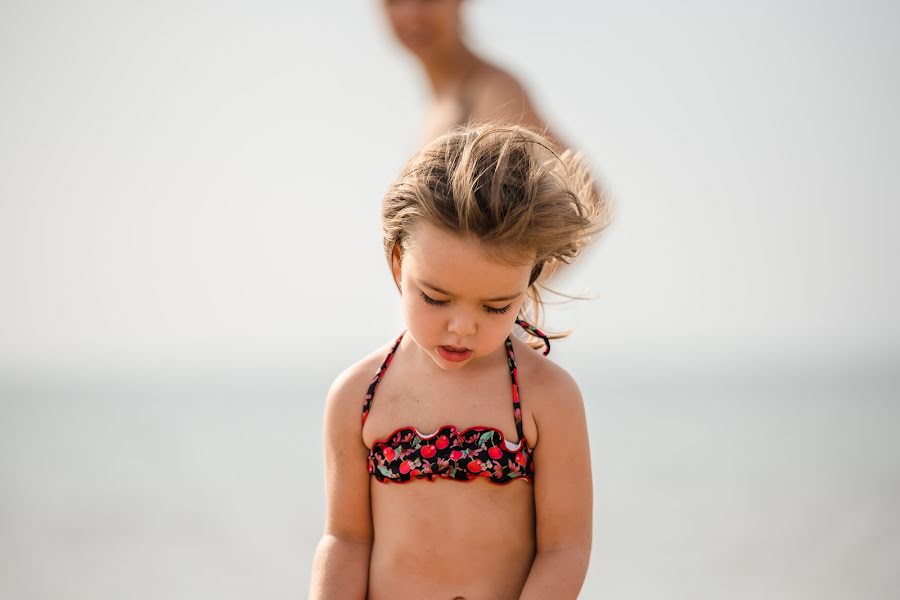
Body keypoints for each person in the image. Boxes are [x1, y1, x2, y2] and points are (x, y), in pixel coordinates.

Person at [309, 123, 611, 599]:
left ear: (527, 283)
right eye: (436, 298)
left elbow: (565, 548)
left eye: (495, 307)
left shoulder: (545, 396)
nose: (462, 327)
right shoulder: (359, 396)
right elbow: (345, 539)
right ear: (397, 263)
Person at [380, 0, 561, 148]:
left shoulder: (494, 94)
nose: (412, 13)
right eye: (394, 0)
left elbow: (580, 188)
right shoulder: (440, 103)